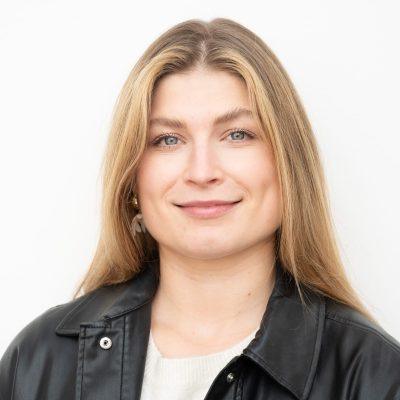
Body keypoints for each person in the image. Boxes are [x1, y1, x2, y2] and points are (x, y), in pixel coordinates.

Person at [1, 17, 399, 400]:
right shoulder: (36, 360)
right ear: (133, 178)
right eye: (168, 140)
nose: (202, 172)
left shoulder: (374, 376)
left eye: (237, 134)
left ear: (288, 165)